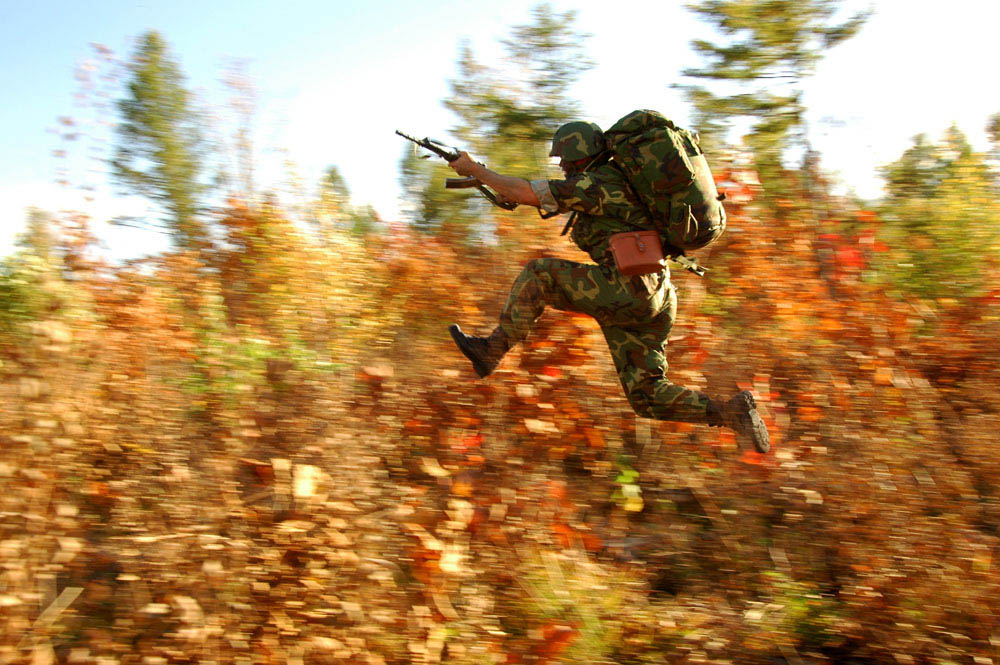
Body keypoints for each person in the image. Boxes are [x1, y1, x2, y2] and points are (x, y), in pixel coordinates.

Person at [446, 121, 769, 453]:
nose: (560, 165)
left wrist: (472, 167)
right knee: (646, 396)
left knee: (540, 274)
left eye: (563, 159)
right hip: (655, 294)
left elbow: (527, 191)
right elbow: (532, 196)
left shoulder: (596, 183)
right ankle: (731, 413)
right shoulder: (613, 182)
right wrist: (488, 179)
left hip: (626, 290)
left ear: (577, 154)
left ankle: (490, 351)